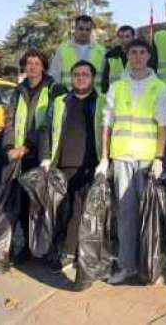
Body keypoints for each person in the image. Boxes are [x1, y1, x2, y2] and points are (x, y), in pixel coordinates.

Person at [100, 38, 166, 284]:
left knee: (149, 215)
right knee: (126, 215)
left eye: (142, 52)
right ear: (128, 57)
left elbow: (163, 126)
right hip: (122, 157)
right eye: (133, 53)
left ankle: (151, 265)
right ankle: (126, 266)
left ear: (149, 57)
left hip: (147, 159)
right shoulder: (117, 87)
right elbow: (106, 124)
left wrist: (159, 157)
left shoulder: (160, 88)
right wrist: (103, 158)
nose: (138, 57)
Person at [39, 60, 103, 290]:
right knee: (59, 210)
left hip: (89, 166)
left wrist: (105, 162)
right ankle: (57, 249)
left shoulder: (102, 101)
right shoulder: (60, 102)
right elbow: (46, 129)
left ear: (93, 78)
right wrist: (46, 156)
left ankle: (68, 252)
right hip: (62, 165)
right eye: (77, 74)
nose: (81, 78)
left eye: (85, 74)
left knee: (80, 212)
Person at [1, 49, 66, 262]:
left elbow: (47, 124)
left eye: (37, 63)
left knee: (41, 204)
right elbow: (10, 121)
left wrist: (27, 147)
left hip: (43, 155)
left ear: (43, 66)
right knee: (21, 204)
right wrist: (10, 146)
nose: (32, 67)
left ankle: (47, 247)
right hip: (19, 155)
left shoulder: (54, 89)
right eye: (29, 63)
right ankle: (28, 247)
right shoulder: (18, 91)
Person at [49, 15, 107, 89]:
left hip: (95, 98)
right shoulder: (62, 49)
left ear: (91, 31)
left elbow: (106, 80)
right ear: (75, 29)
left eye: (87, 29)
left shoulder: (101, 51)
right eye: (81, 29)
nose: (84, 32)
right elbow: (54, 76)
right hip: (68, 98)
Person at [101, 25, 135, 93]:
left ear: (133, 37)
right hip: (114, 96)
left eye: (127, 36)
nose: (124, 40)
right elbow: (105, 78)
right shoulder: (110, 55)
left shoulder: (141, 54)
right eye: (121, 37)